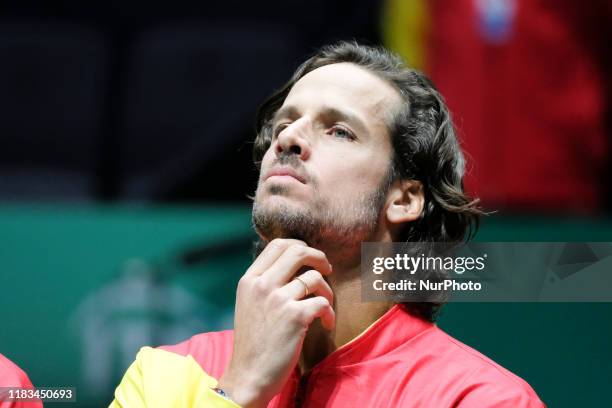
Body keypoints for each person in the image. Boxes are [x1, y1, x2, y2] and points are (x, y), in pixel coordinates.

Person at [110, 41, 545, 407]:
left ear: (405, 198)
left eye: (339, 131)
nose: (287, 138)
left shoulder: (477, 399)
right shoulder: (163, 374)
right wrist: (238, 391)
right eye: (285, 123)